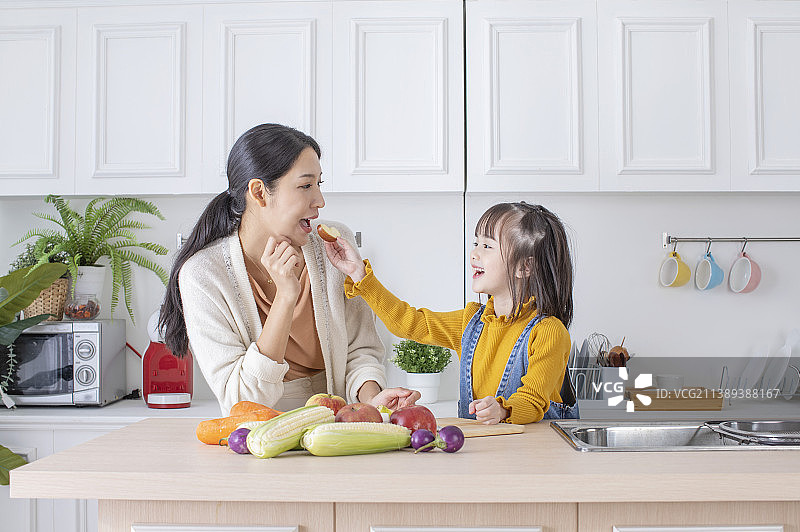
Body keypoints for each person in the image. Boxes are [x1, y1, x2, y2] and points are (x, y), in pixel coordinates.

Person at [159, 124, 419, 415]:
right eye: (306, 185)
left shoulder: (331, 246)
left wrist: (372, 398)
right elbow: (240, 403)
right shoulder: (203, 275)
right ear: (259, 193)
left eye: (320, 184)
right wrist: (285, 297)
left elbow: (361, 350)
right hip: (261, 437)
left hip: (338, 430)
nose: (320, 200)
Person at [324, 202, 579, 424]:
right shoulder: (471, 322)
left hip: (536, 456)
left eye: (488, 246)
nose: (474, 254)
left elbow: (532, 400)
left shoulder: (548, 332)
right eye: (476, 243)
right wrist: (360, 276)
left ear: (525, 266)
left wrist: (502, 409)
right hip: (484, 454)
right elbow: (410, 323)